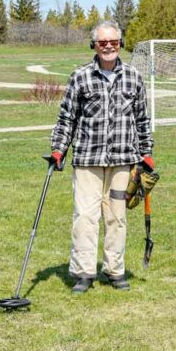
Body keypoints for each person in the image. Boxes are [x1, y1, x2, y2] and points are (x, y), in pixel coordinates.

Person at [50, 21, 154, 294]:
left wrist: (146, 153)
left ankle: (115, 270)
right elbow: (67, 119)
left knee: (116, 217)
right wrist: (58, 149)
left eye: (114, 42)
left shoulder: (133, 77)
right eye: (103, 42)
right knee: (85, 217)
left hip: (123, 161)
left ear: (121, 44)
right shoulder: (80, 77)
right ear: (94, 45)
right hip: (88, 160)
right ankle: (84, 273)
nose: (108, 46)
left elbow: (142, 120)